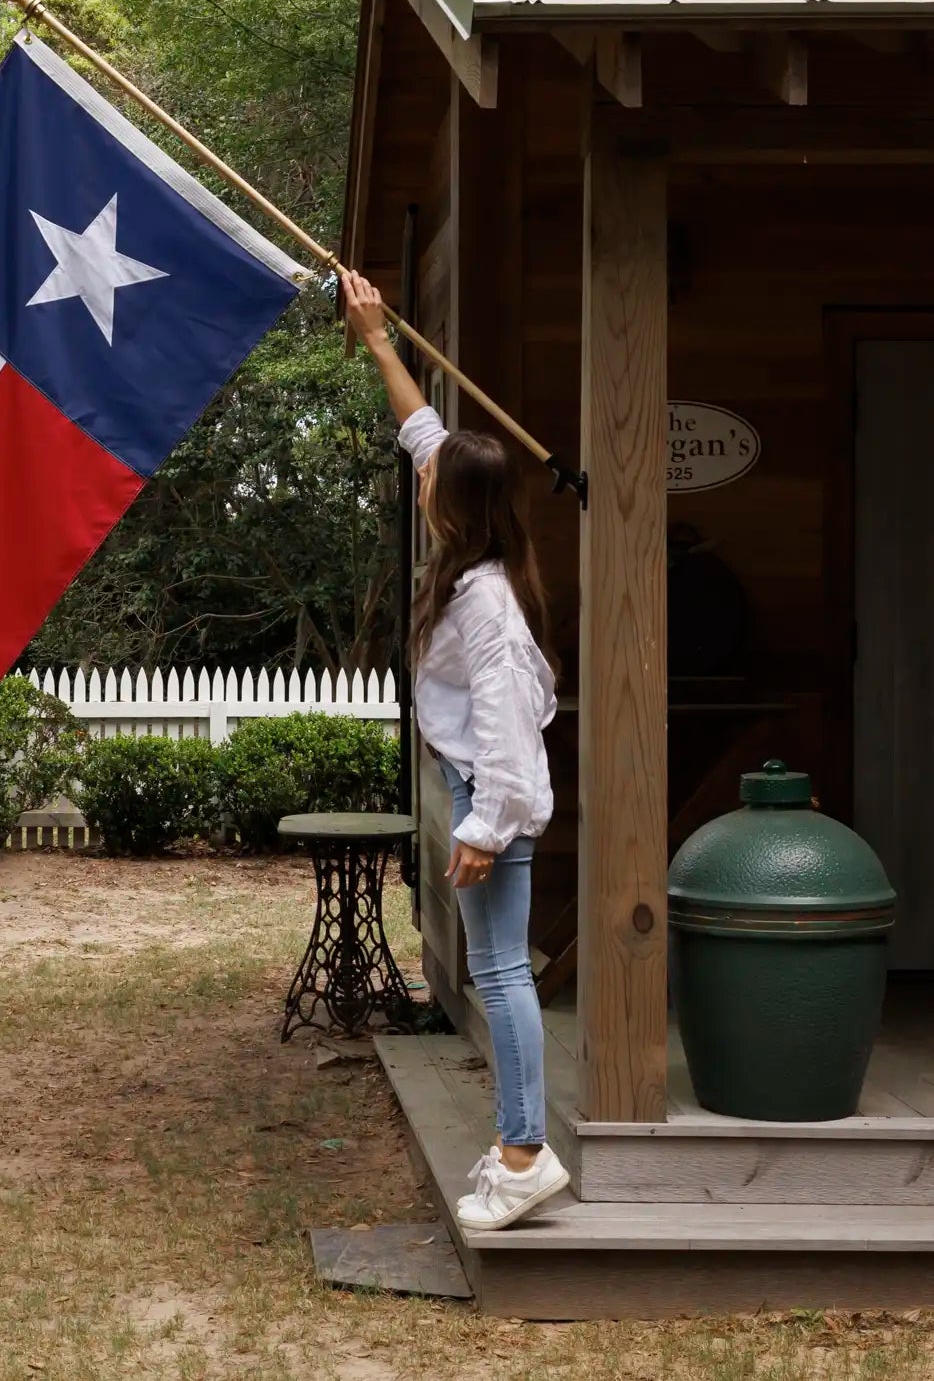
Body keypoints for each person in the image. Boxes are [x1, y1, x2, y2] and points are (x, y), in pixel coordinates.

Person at [341, 269, 569, 1232]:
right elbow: (420, 423)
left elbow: (513, 736)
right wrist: (376, 331)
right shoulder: (472, 552)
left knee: (504, 974)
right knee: (497, 970)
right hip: (476, 782)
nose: (418, 469)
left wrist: (482, 825)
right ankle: (520, 1143)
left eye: (430, 476)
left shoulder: (486, 606)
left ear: (455, 506)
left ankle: (525, 1154)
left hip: (491, 790)